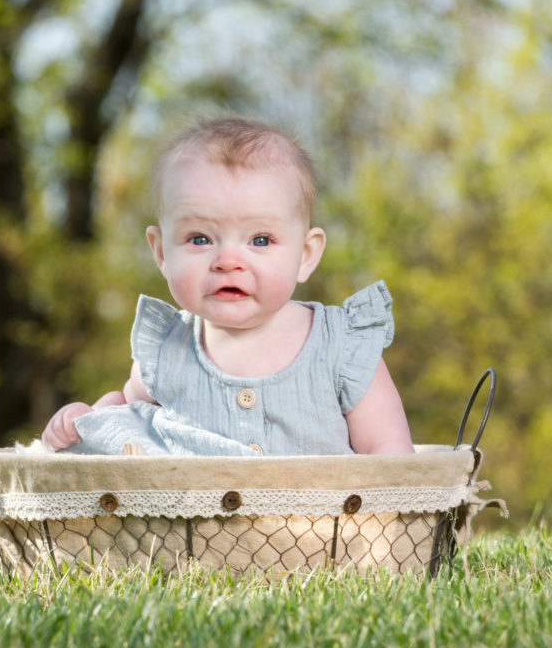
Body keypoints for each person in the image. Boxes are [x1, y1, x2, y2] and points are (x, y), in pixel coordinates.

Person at [41, 116, 414, 457]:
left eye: (261, 240)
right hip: (192, 532)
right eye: (200, 239)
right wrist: (89, 418)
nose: (228, 261)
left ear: (305, 254)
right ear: (161, 253)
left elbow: (389, 453)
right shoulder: (168, 351)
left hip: (329, 530)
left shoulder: (342, 347)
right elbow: (129, 421)